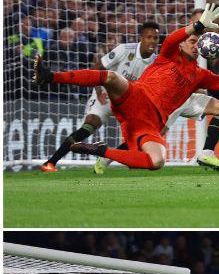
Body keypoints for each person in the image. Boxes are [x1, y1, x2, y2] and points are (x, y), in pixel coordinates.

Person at [34, 4, 219, 171]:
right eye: (192, 40)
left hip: (149, 123)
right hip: (135, 97)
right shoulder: (168, 54)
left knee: (157, 161)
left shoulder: (200, 75)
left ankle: (100, 151)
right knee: (112, 77)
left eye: (197, 43)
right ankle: (50, 76)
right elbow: (172, 39)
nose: (196, 45)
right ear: (183, 42)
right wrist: (197, 25)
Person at [39, 22, 160, 172]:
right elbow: (97, 67)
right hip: (105, 96)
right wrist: (98, 91)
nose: (153, 41)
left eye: (156, 38)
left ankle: (106, 157)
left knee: (142, 134)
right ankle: (50, 162)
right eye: (149, 37)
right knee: (90, 125)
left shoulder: (156, 63)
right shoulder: (124, 50)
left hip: (128, 104)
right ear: (141, 38)